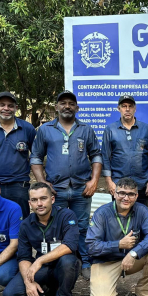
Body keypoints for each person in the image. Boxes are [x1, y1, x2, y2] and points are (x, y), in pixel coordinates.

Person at [30, 91, 102, 280]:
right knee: (57, 226)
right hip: (56, 189)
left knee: (82, 226)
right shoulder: (45, 130)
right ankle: (59, 262)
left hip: (81, 188)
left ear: (77, 108)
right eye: (63, 103)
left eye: (71, 103)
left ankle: (84, 261)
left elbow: (96, 155)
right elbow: (36, 157)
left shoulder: (86, 130)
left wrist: (94, 180)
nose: (67, 106)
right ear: (56, 107)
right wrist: (43, 183)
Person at [2, 183, 81, 296]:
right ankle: (49, 291)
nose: (39, 203)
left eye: (43, 198)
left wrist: (39, 260)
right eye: (34, 200)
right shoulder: (26, 225)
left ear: (52, 199)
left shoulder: (66, 215)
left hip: (62, 265)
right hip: (44, 269)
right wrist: (28, 282)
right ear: (29, 203)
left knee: (68, 261)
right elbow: (24, 257)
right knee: (10, 295)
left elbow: (70, 245)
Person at [86, 177, 148, 296]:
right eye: (122, 193)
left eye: (131, 194)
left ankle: (143, 294)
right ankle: (108, 289)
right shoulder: (102, 213)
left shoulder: (142, 210)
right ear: (115, 193)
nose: (126, 198)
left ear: (136, 196)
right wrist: (118, 244)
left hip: (131, 259)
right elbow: (91, 246)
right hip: (106, 261)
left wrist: (133, 253)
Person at [101, 94, 148, 208]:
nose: (127, 109)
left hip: (142, 185)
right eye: (124, 106)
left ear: (135, 108)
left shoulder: (145, 129)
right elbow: (105, 158)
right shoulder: (110, 130)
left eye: (130, 106)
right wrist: (109, 182)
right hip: (119, 187)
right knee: (120, 221)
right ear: (119, 108)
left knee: (144, 220)